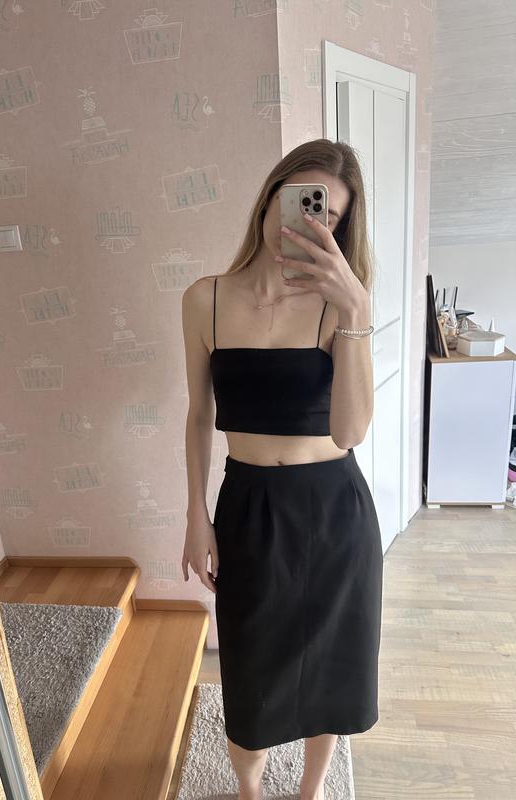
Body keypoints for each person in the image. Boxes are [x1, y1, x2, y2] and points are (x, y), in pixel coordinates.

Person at [180, 139, 383, 800]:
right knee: (249, 672)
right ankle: (250, 791)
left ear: (339, 229)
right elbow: (198, 414)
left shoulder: (339, 307)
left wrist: (356, 312)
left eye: (327, 214)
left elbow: (350, 431)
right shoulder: (204, 300)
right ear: (271, 197)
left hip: (334, 511)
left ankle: (311, 789)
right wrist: (195, 515)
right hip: (248, 507)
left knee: (331, 667)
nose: (304, 221)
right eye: (300, 200)